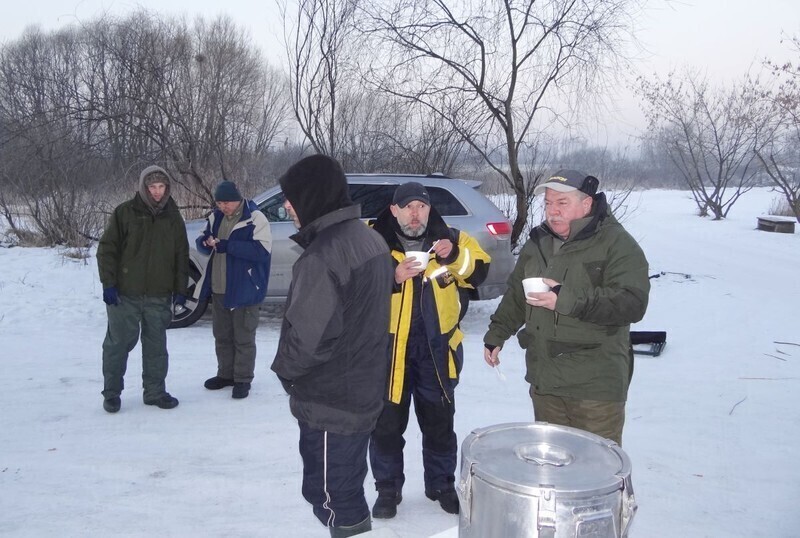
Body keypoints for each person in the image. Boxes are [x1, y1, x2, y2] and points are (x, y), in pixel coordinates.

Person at [270, 155, 393, 538]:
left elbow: (309, 338)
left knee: (331, 496)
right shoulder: (369, 237)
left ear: (313, 196)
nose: (287, 205)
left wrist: (287, 373)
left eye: (291, 197)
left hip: (332, 400)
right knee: (346, 483)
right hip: (361, 387)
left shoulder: (324, 254)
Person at [483, 169, 650, 446]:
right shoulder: (538, 243)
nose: (552, 211)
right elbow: (516, 294)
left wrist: (567, 300)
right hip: (545, 382)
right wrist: (497, 333)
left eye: (562, 203)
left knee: (597, 471)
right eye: (548, 203)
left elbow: (632, 302)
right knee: (553, 466)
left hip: (594, 387)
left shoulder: (617, 243)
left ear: (587, 204)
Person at [368, 181, 491, 518]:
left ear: (429, 209)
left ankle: (441, 484)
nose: (414, 213)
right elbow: (351, 284)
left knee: (439, 423)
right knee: (386, 426)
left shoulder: (451, 238)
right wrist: (391, 277)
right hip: (388, 352)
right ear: (394, 210)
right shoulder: (373, 240)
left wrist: (453, 256)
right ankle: (387, 489)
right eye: (407, 206)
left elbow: (479, 273)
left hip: (437, 351)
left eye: (420, 206)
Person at [97, 165, 189, 413]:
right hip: (126, 294)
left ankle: (155, 392)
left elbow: (182, 254)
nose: (157, 192)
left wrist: (181, 289)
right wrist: (109, 283)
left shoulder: (173, 216)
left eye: (161, 187)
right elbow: (107, 250)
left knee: (156, 346)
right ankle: (112, 393)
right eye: (152, 187)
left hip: (159, 294)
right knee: (118, 345)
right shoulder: (125, 212)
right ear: (143, 187)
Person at [197, 180, 272, 399]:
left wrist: (228, 245)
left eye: (227, 202)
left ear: (237, 199)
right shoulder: (215, 217)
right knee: (222, 335)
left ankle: (242, 379)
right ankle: (225, 375)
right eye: (220, 202)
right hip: (219, 287)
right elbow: (201, 239)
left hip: (245, 288)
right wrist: (206, 241)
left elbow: (261, 251)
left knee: (244, 337)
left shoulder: (255, 218)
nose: (223, 207)